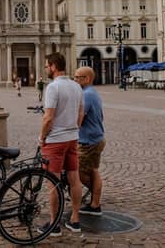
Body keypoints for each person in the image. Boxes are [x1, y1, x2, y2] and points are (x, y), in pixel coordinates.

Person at [39, 52, 83, 236]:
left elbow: (48, 118)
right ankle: (74, 220)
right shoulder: (76, 86)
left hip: (55, 141)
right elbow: (81, 114)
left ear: (54, 66)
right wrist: (73, 130)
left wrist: (42, 137)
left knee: (53, 183)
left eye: (47, 65)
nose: (46, 68)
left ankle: (54, 223)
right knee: (74, 180)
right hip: (72, 139)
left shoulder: (53, 87)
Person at [74, 66, 105, 216]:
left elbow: (79, 117)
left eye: (77, 77)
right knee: (92, 169)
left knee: (78, 171)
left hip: (89, 141)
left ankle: (96, 200)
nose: (75, 79)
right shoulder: (92, 92)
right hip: (96, 137)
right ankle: (95, 203)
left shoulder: (87, 95)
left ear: (87, 79)